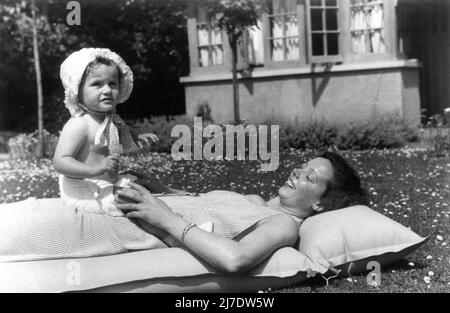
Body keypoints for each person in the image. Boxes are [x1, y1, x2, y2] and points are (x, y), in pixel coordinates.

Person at [0, 151, 368, 274]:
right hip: (97, 204)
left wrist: (162, 216)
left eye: (311, 176)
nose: (296, 171)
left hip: (100, 228)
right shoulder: (255, 200)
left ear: (322, 202)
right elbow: (200, 204)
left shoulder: (283, 225)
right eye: (302, 164)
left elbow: (236, 259)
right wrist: (161, 188)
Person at [54, 48, 163, 217]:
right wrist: (93, 170)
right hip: (84, 189)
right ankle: (169, 233)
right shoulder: (79, 124)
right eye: (96, 84)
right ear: (77, 91)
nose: (106, 90)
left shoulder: (110, 119)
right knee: (133, 197)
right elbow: (60, 162)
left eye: (112, 84)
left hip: (104, 182)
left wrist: (137, 135)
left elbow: (122, 129)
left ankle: (173, 206)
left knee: (141, 181)